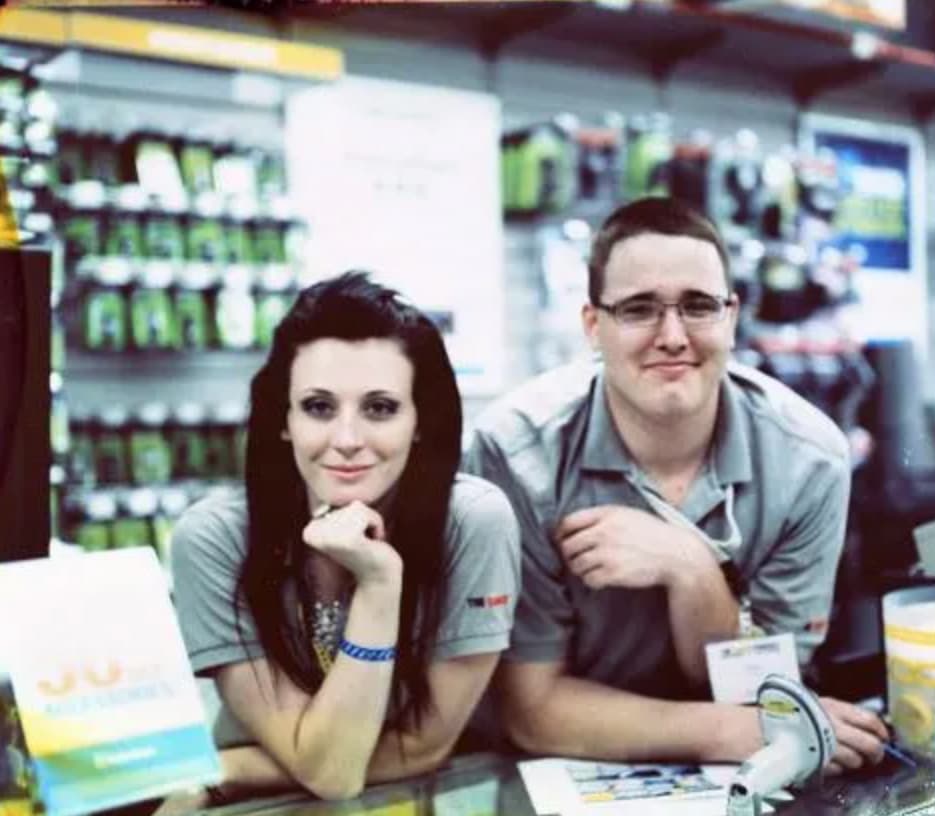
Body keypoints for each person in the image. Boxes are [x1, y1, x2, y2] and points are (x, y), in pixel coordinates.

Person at [463, 197, 888, 773]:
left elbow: (759, 686)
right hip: (550, 774)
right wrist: (735, 730)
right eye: (639, 309)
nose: (672, 336)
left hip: (733, 770)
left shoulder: (810, 461)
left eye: (697, 306)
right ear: (594, 325)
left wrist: (691, 569)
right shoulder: (515, 456)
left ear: (731, 317)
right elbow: (531, 711)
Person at [169, 271, 520, 804]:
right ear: (283, 419)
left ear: (420, 421)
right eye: (318, 407)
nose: (348, 440)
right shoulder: (215, 538)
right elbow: (329, 772)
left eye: (380, 408)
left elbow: (416, 751)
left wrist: (379, 582)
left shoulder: (474, 520)